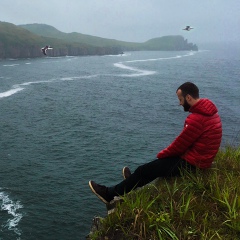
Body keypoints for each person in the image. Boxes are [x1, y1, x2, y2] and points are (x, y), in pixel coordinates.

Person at [89, 82, 222, 204]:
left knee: (146, 169)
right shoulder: (209, 112)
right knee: (150, 169)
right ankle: (133, 181)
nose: (179, 104)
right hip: (200, 159)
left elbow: (179, 145)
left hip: (193, 164)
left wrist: (161, 155)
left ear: (188, 98)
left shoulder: (197, 119)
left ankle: (109, 194)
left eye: (180, 100)